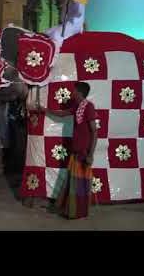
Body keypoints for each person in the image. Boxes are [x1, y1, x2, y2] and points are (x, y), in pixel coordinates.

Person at [43, 81, 98, 219]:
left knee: (79, 186)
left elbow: (94, 132)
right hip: (76, 151)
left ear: (79, 92)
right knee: (74, 184)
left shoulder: (88, 107)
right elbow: (62, 114)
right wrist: (44, 110)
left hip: (83, 153)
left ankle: (76, 212)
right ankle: (71, 210)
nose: (72, 93)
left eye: (74, 91)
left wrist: (90, 155)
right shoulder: (78, 107)